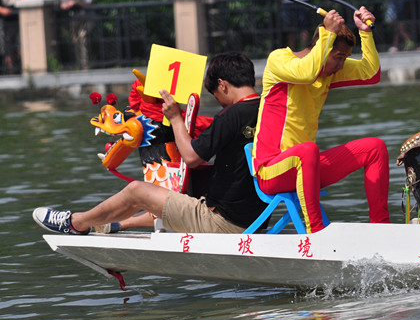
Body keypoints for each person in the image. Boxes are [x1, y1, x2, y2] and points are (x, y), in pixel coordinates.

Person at [33, 52, 267, 235]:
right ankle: (118, 224)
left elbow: (192, 157)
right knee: (173, 190)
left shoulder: (233, 114)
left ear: (223, 84)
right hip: (257, 218)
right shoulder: (267, 110)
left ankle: (76, 223)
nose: (220, 102)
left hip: (225, 223)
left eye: (216, 95)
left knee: (138, 190)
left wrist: (175, 118)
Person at [252, 7, 389, 233]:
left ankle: (381, 228)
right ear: (322, 48)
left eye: (344, 58)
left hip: (307, 166)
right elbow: (305, 73)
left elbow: (370, 73)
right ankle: (315, 231)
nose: (341, 66)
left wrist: (365, 32)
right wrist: (327, 32)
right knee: (307, 150)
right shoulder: (278, 61)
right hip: (270, 170)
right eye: (338, 58)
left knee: (375, 148)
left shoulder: (328, 71)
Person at [54, 0, 93, 69]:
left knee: (83, 38)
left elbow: (90, 3)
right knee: (74, 41)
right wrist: (61, 5)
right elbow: (54, 6)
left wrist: (76, 3)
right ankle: (77, 64)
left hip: (86, 18)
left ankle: (85, 65)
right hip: (72, 20)